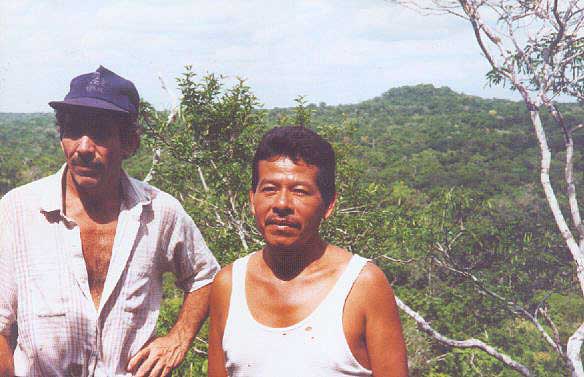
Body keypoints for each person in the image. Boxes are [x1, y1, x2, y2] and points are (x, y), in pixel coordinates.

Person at [0, 66, 220, 377]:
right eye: (74, 130)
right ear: (61, 136)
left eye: (101, 133)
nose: (84, 148)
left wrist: (179, 337)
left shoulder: (159, 212)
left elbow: (206, 276)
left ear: (130, 143)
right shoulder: (18, 210)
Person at [208, 126, 409, 376]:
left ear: (328, 205)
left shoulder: (362, 286)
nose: (282, 204)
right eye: (269, 189)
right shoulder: (228, 285)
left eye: (300, 191)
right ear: (252, 199)